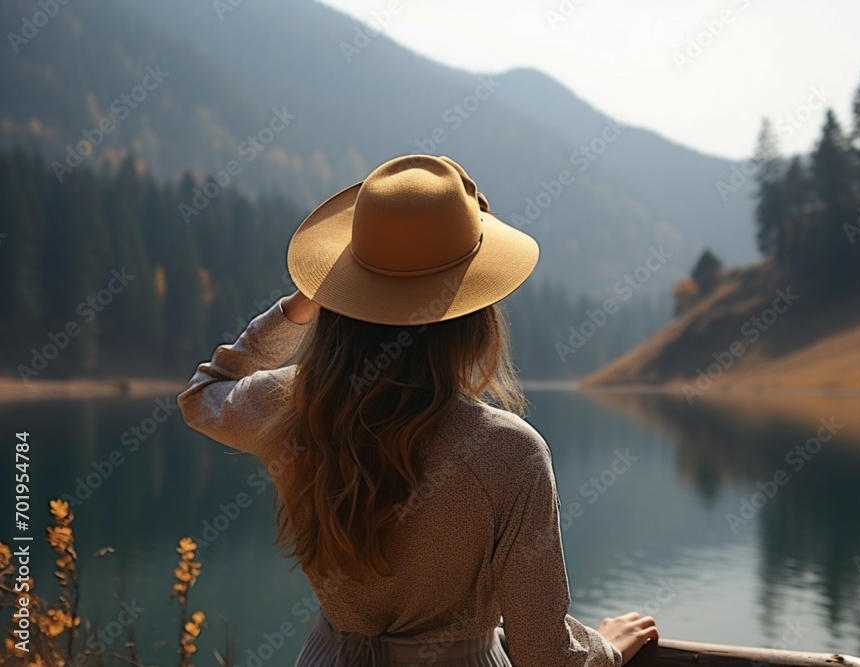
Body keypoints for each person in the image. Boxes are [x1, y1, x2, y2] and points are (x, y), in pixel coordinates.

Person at [178, 155, 659, 666]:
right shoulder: (510, 454)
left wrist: (297, 307)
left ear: (343, 298)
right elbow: (544, 655)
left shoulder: (296, 409)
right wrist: (606, 650)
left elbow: (204, 392)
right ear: (474, 314)